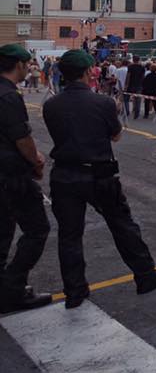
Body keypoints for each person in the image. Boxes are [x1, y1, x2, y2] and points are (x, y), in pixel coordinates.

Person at [41, 49, 156, 309]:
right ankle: (145, 275)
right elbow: (115, 135)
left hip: (65, 174)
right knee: (122, 225)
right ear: (89, 72)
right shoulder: (102, 103)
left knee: (69, 235)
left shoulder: (51, 105)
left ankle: (75, 291)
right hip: (99, 173)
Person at [0, 44, 52, 313]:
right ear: (19, 65)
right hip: (11, 176)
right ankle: (12, 288)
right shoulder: (9, 96)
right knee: (37, 229)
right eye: (27, 64)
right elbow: (21, 137)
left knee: (3, 232)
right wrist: (36, 161)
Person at [125, 55, 146, 119]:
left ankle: (127, 111)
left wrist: (126, 85)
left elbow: (128, 76)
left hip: (131, 85)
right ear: (139, 59)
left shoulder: (130, 66)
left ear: (133, 59)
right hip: (139, 85)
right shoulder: (142, 67)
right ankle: (137, 114)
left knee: (126, 99)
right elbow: (143, 77)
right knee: (138, 100)